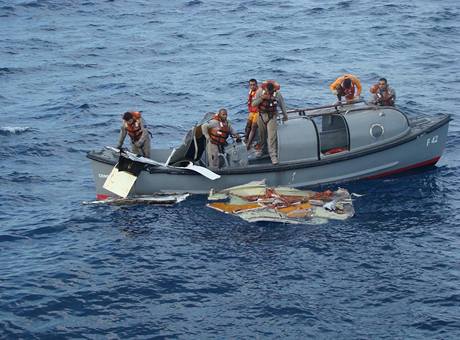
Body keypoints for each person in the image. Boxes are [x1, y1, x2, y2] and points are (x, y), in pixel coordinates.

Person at [252, 80, 288, 165]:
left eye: (271, 91)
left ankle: (273, 156)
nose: (269, 92)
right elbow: (253, 104)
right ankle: (262, 151)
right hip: (261, 116)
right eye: (268, 91)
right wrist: (262, 98)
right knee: (262, 135)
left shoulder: (277, 94)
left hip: (272, 116)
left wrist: (285, 115)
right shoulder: (259, 92)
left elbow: (282, 104)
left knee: (272, 137)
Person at [245, 78, 259, 150]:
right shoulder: (250, 92)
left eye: (254, 85)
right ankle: (246, 139)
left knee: (253, 127)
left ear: (256, 85)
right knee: (248, 125)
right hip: (252, 112)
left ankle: (248, 144)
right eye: (251, 85)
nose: (252, 86)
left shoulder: (259, 92)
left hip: (257, 112)